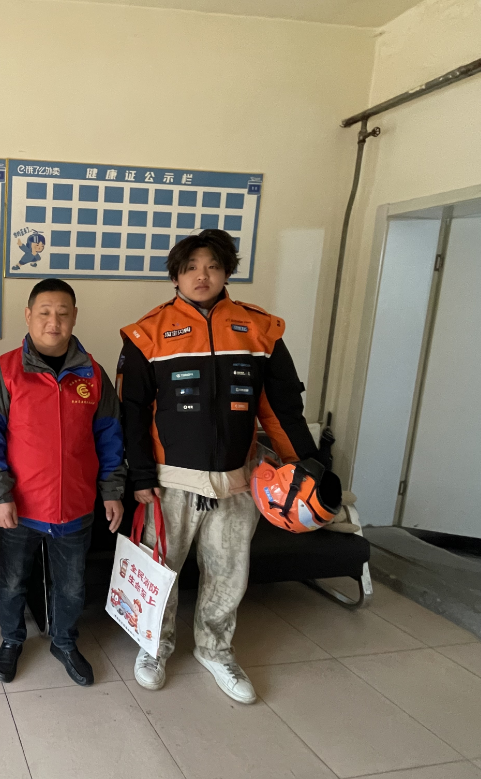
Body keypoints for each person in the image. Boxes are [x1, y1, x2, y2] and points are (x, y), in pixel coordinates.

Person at [118, 229, 319, 704]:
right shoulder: (146, 334)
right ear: (176, 276)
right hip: (169, 482)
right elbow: (132, 414)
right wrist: (140, 475)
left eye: (212, 266)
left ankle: (215, 649)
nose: (201, 275)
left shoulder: (260, 330)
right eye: (190, 267)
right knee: (159, 570)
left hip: (239, 480)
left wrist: (305, 463)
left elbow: (281, 409)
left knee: (228, 572)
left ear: (227, 271)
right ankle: (154, 646)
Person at [0, 279, 126, 686]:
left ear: (74, 317)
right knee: (11, 583)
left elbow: (110, 437)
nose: (53, 321)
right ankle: (12, 640)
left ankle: (63, 641)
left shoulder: (93, 374)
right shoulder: (6, 370)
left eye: (62, 313)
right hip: (19, 507)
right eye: (44, 312)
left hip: (76, 505)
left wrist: (112, 491)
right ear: (28, 316)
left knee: (72, 586)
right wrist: (0, 495)